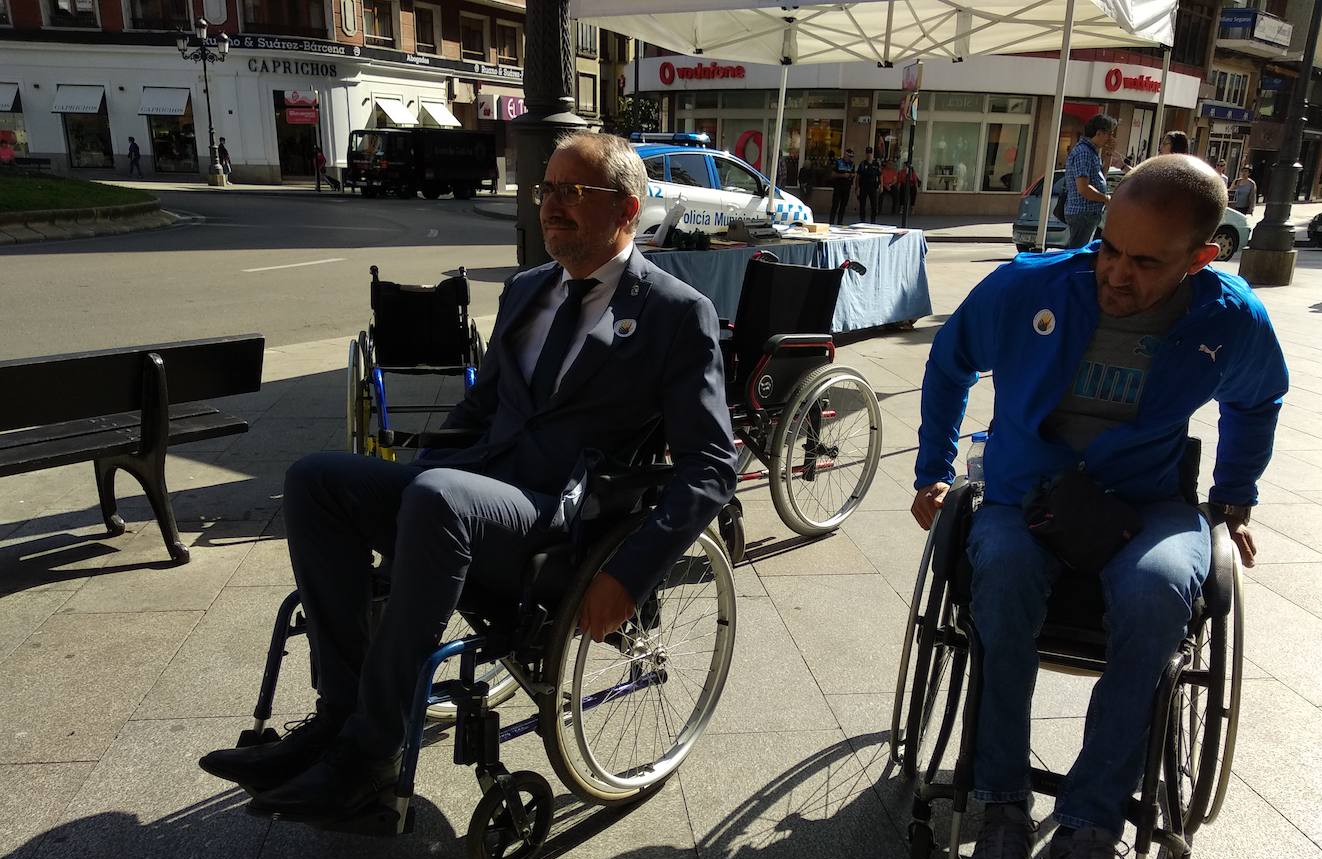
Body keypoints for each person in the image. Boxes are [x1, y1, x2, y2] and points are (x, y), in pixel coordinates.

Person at [198, 132, 737, 821]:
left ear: (627, 210)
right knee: (316, 480)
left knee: (436, 497)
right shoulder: (526, 291)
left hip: (556, 515)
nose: (552, 206)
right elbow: (484, 404)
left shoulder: (672, 313)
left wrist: (631, 574)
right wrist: (414, 484)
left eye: (574, 192)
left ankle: (371, 753)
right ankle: (338, 717)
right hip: (468, 493)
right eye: (547, 189)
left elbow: (711, 462)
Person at [911, 155, 1288, 859]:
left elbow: (1258, 398)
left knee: (1159, 596)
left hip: (1145, 503)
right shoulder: (1028, 288)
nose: (1115, 271)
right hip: (1024, 493)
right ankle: (1002, 809)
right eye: (1108, 247)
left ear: (1203, 255)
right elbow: (950, 362)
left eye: (1145, 261)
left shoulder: (1230, 319)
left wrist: (1235, 497)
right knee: (1002, 575)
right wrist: (933, 472)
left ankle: (1089, 827)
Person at [1063, 114, 1116, 249]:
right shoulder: (1084, 152)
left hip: (1087, 214)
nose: (1111, 138)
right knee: (1077, 254)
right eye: (1109, 134)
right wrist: (1106, 199)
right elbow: (1083, 188)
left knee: (1081, 252)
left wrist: (1108, 155)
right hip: (1082, 213)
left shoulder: (1092, 152)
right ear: (1099, 133)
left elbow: (1100, 177)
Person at [829, 147, 856, 225]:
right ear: (845, 155)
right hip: (838, 186)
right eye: (849, 156)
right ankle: (831, 222)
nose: (850, 158)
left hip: (847, 187)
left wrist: (851, 175)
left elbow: (854, 174)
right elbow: (832, 174)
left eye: (852, 157)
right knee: (835, 205)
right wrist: (843, 175)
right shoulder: (838, 162)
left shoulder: (852, 164)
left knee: (843, 206)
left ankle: (839, 222)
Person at [856, 146, 883, 223]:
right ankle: (862, 221)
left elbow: (880, 175)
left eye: (870, 153)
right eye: (867, 153)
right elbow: (858, 176)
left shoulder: (876, 164)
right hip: (864, 186)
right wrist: (857, 187)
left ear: (872, 154)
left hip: (873, 187)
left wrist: (881, 186)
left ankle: (873, 222)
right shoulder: (862, 164)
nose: (869, 155)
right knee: (862, 205)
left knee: (874, 205)